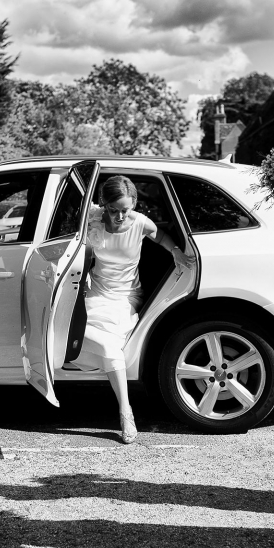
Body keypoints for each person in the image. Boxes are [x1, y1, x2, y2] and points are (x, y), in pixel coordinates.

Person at [66, 174, 190, 443]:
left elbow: (162, 237)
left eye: (125, 210)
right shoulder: (92, 220)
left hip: (125, 296)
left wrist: (176, 252)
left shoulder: (141, 224)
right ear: (104, 205)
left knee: (108, 345)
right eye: (113, 210)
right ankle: (121, 398)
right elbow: (76, 251)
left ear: (133, 204)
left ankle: (125, 412)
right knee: (67, 326)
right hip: (96, 292)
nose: (120, 216)